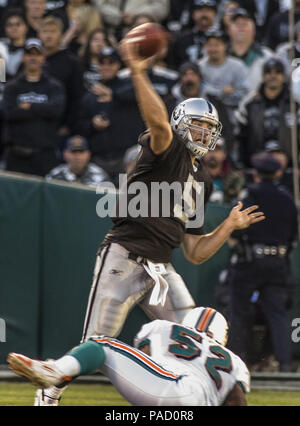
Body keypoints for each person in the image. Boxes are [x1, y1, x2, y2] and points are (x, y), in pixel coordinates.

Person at [33, 34, 264, 406]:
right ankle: (48, 391)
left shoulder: (202, 180)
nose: (204, 134)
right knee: (94, 344)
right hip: (124, 256)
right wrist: (138, 72)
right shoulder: (167, 146)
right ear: (180, 124)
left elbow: (196, 252)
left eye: (209, 128)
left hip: (161, 269)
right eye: (198, 125)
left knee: (199, 335)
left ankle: (188, 398)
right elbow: (158, 124)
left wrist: (228, 226)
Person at [8, 307, 251, 406]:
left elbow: (143, 360)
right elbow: (236, 401)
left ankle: (55, 372)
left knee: (102, 345)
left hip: (170, 386)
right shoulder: (235, 362)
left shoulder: (164, 328)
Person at [227, 152, 299, 372]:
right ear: (277, 173)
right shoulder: (287, 198)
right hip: (278, 261)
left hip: (250, 261)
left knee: (239, 312)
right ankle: (285, 364)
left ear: (256, 173)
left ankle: (236, 365)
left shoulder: (251, 194)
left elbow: (237, 229)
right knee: (277, 313)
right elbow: (293, 235)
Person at [3, 38, 65, 177]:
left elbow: (56, 111)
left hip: (44, 154)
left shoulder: (54, 86)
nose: (33, 58)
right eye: (29, 54)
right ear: (23, 57)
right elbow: (9, 113)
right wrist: (42, 109)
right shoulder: (12, 86)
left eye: (37, 54)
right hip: (16, 154)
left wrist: (28, 107)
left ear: (43, 57)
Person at [235, 58, 295, 168]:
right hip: (256, 164)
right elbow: (241, 136)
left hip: (289, 165)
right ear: (263, 76)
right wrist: (243, 164)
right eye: (268, 72)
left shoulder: (294, 102)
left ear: (284, 76)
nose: (273, 76)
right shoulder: (249, 102)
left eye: (277, 72)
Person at [38, 15, 84, 138]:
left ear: (61, 34)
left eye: (53, 31)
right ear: (39, 35)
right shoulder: (31, 60)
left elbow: (77, 97)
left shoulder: (72, 62)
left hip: (61, 127)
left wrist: (68, 125)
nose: (48, 36)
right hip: (34, 125)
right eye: (45, 31)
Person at [198, 29, 250, 118]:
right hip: (204, 114)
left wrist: (216, 95)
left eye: (217, 45)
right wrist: (222, 92)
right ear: (205, 47)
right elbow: (199, 92)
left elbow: (245, 92)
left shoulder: (238, 66)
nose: (213, 49)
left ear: (225, 46)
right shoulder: (199, 66)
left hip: (233, 114)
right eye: (209, 45)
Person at [227, 8, 274, 91]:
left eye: (245, 24)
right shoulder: (220, 55)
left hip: (258, 102)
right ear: (229, 30)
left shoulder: (267, 56)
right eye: (237, 24)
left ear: (254, 29)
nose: (241, 27)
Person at [169, 0, 218, 69]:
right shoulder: (182, 39)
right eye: (200, 10)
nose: (204, 14)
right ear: (193, 14)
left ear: (215, 14)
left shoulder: (222, 39)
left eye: (208, 10)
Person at [3, 8, 28, 80]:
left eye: (18, 24)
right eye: (10, 25)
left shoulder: (34, 49)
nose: (14, 28)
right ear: (5, 28)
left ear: (26, 27)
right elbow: (1, 78)